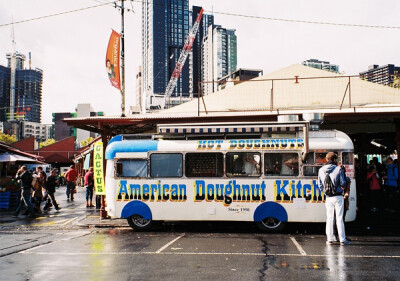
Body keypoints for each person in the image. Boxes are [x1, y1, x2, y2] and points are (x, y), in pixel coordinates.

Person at [318, 152, 349, 245]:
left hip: (328, 197)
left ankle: (329, 239)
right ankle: (342, 239)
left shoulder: (321, 170)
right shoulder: (338, 169)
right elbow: (343, 183)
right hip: (338, 196)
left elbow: (319, 185)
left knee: (329, 218)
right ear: (335, 159)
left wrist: (325, 191)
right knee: (339, 218)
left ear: (327, 159)